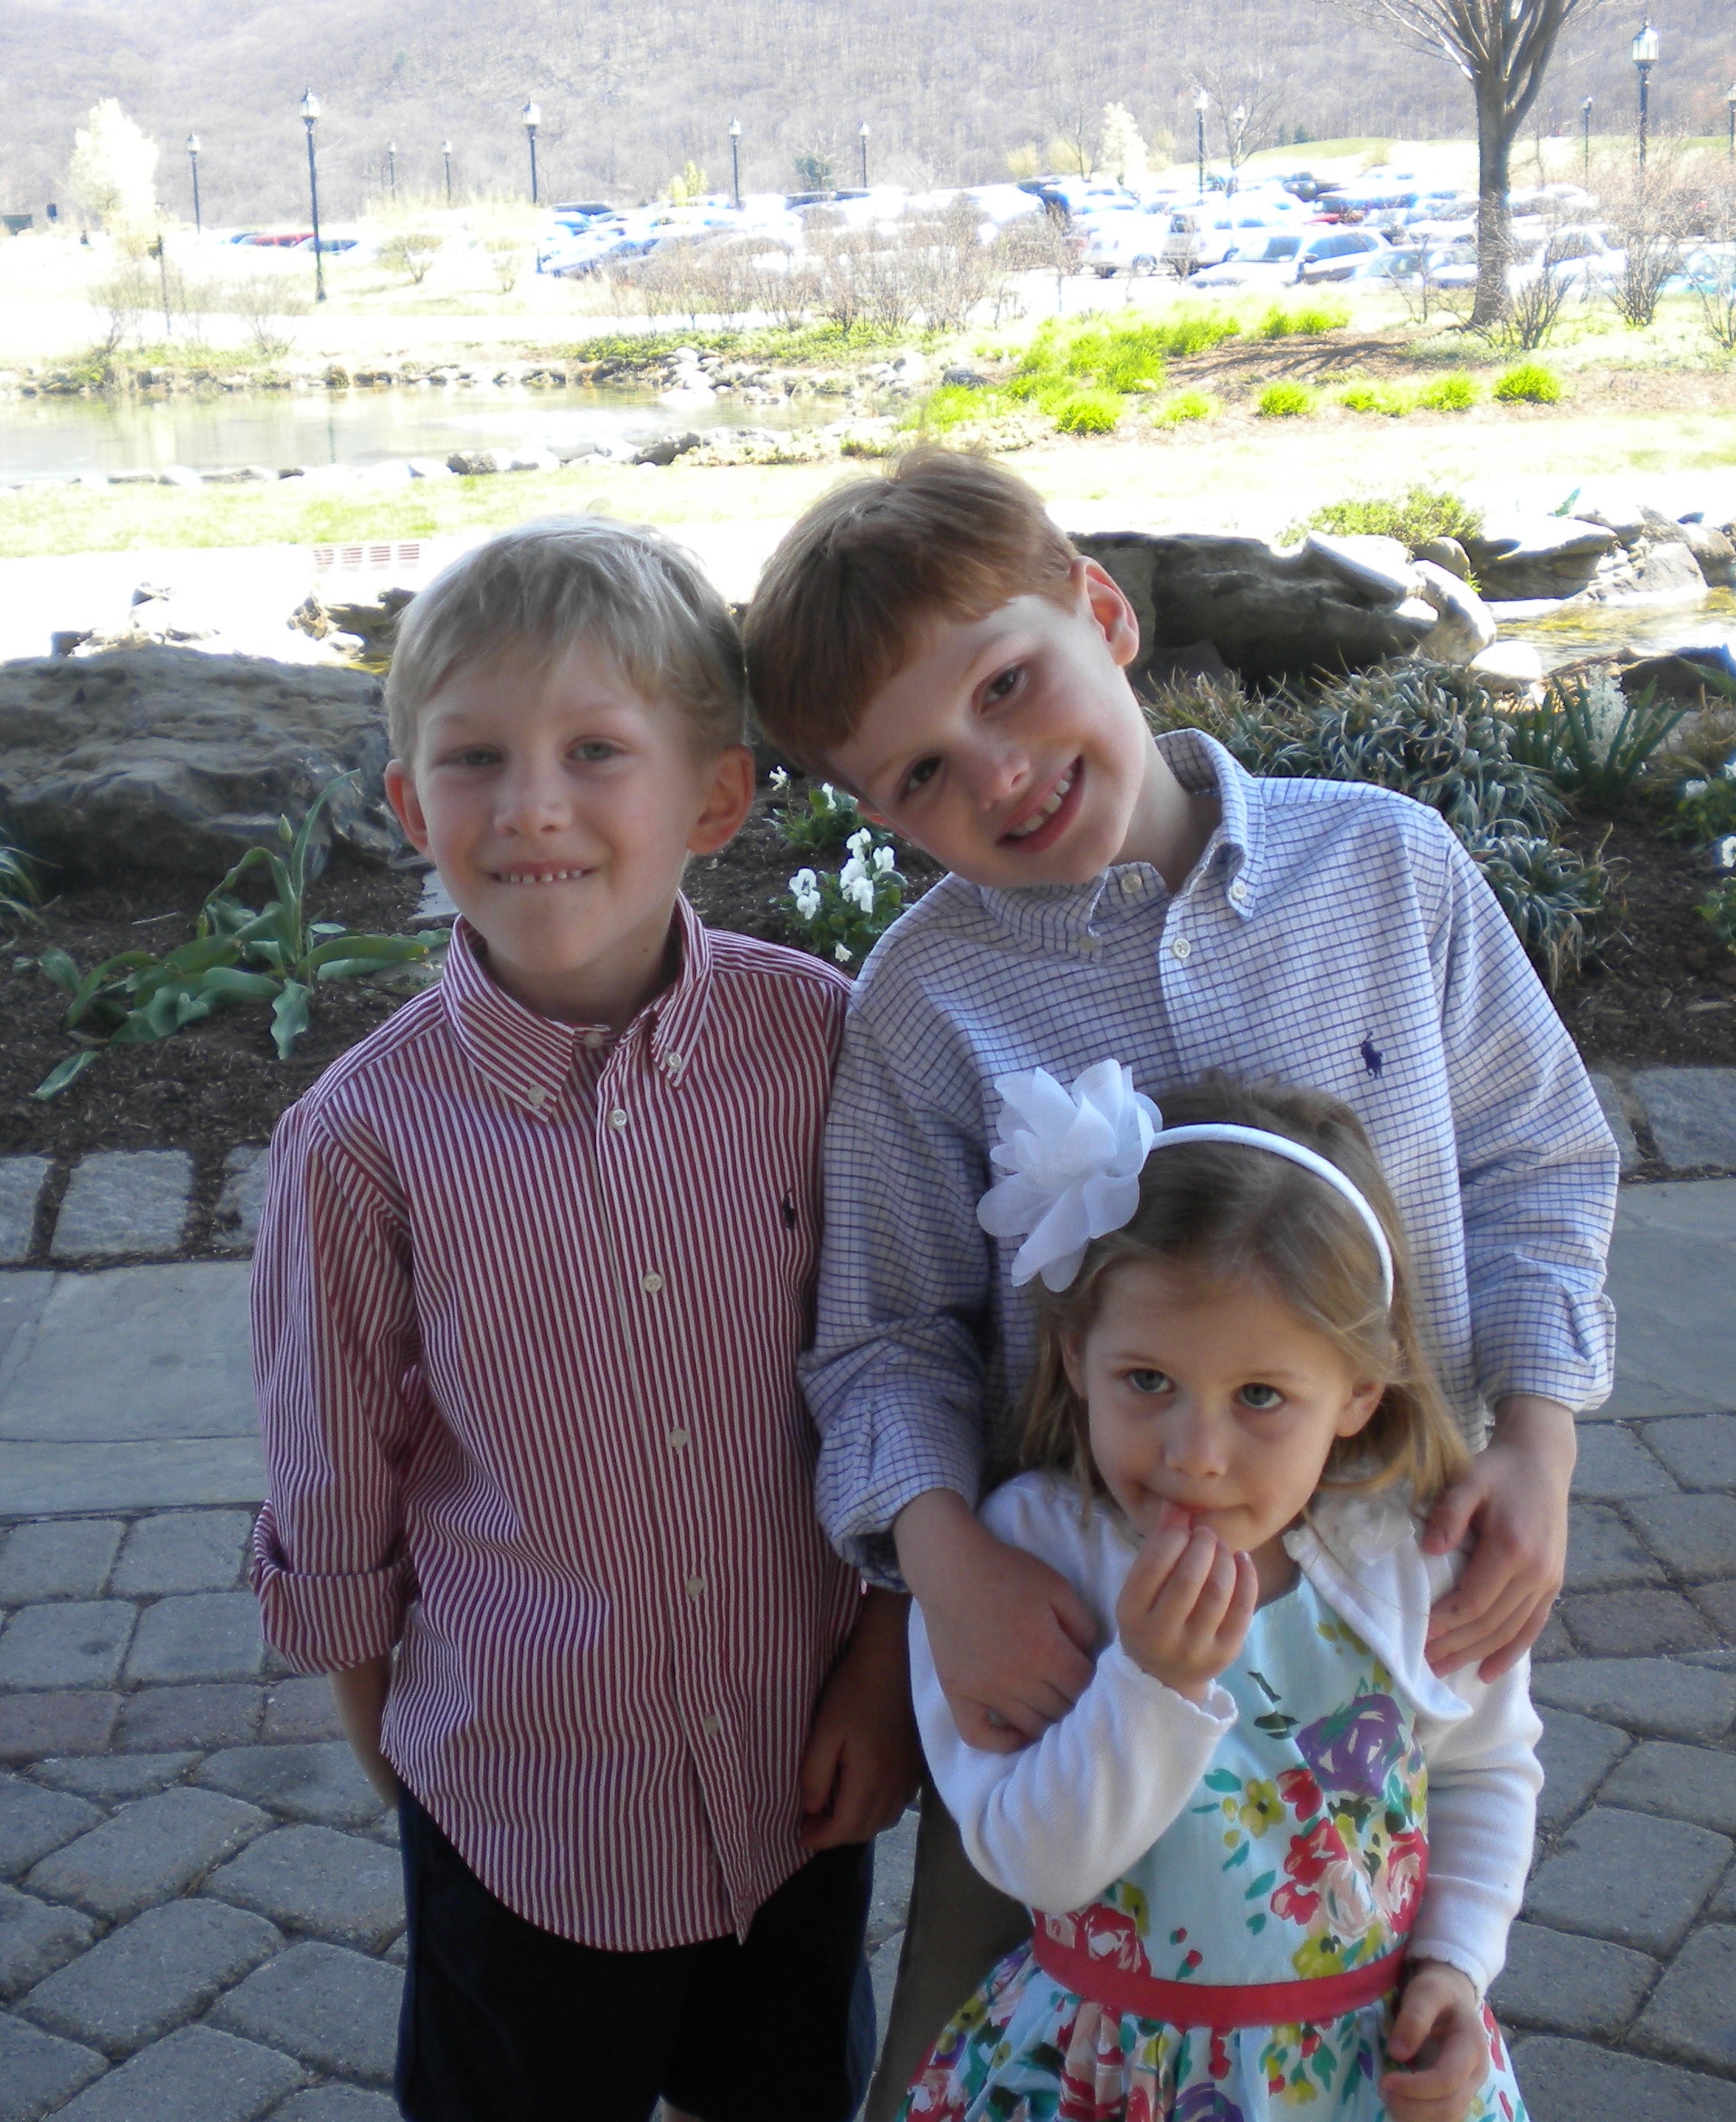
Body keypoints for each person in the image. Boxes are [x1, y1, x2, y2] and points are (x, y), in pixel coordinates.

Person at [740, 448, 1613, 2111]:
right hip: (1062, 1643)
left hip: (1371, 1596)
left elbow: (1535, 1165)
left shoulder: (1384, 872)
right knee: (988, 2028)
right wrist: (946, 1569)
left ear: (1103, 609)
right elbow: (880, 1341)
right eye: (919, 774)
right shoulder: (924, 1007)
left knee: (1382, 2014)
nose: (994, 774)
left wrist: (1537, 1438)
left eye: (1010, 684)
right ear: (871, 814)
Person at [250, 517, 919, 2122]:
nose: (531, 805)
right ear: (411, 806)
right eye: (474, 759)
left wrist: (887, 1671)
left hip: (795, 1777)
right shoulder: (361, 1141)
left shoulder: (820, 1045)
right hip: (520, 1815)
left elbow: (916, 1366)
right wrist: (413, 1761)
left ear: (714, 796)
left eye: (594, 751)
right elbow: (334, 1493)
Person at [907, 1065, 1539, 2121]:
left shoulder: (1409, 1558)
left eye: (1260, 1397)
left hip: (1353, 2076)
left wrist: (1457, 1967)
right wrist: (1148, 1684)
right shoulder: (1021, 1562)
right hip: (1104, 2077)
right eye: (1146, 1382)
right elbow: (1032, 1860)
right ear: (1073, 1356)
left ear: (1357, 1394)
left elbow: (1482, 1771)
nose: (1194, 1456)